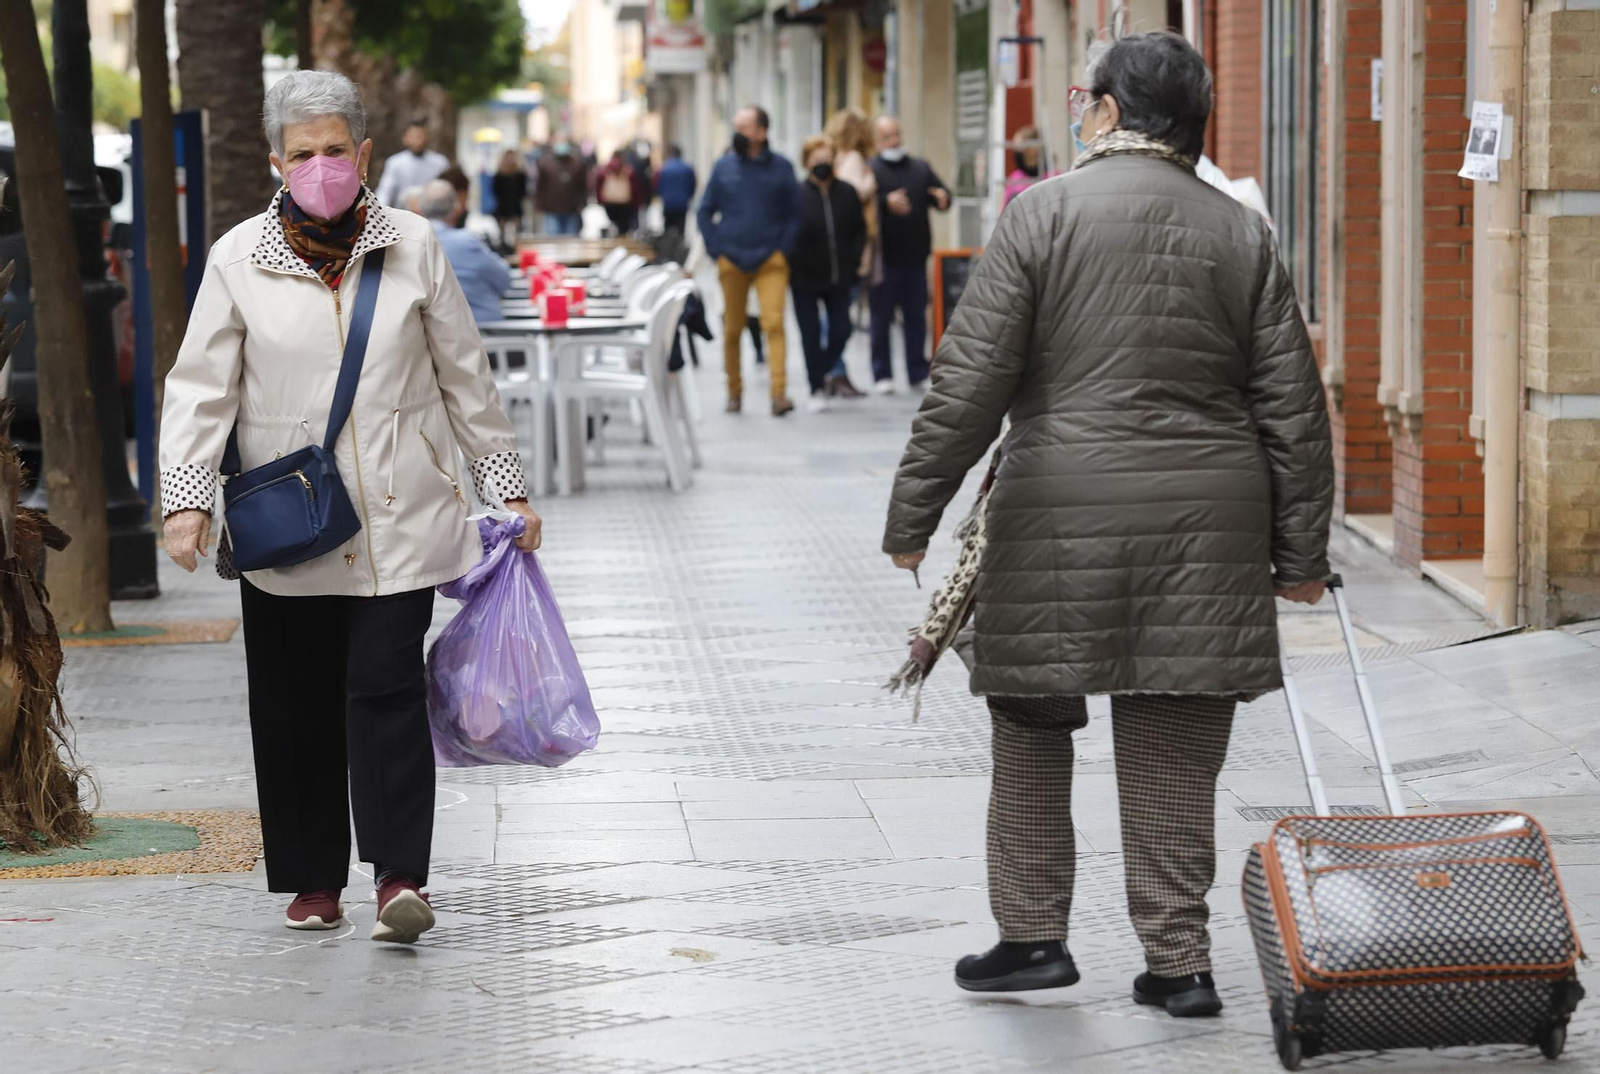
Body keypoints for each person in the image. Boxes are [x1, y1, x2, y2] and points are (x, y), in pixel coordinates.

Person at [881, 32, 1333, 1015]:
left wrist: (914, 514)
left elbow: (969, 381)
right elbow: (1292, 408)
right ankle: (1179, 965)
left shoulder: (1039, 215)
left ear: (1112, 113)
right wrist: (1300, 556)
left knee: (1032, 720)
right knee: (1173, 743)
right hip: (1204, 526)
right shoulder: (1240, 230)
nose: (1080, 110)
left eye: (1088, 98)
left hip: (1054, 515)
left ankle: (1032, 939)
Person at [158, 70, 541, 946]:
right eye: (303, 155)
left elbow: (464, 380)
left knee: (386, 688)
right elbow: (199, 392)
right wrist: (186, 503)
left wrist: (506, 487)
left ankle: (400, 875)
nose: (321, 167)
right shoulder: (236, 259)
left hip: (401, 517)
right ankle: (313, 879)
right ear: (276, 163)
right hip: (286, 521)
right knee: (293, 703)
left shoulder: (415, 245)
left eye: (336, 150)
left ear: (364, 154)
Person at [697, 105, 803, 417]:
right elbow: (704, 211)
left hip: (771, 259)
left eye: (744, 127)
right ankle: (734, 392)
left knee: (773, 324)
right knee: (732, 329)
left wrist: (783, 250)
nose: (738, 133)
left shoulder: (782, 168)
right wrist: (717, 249)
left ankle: (778, 394)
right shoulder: (723, 167)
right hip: (732, 259)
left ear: (761, 132)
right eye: (736, 126)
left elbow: (796, 214)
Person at [869, 115, 950, 394]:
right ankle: (882, 373)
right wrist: (884, 202)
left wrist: (942, 197)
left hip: (915, 257)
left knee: (915, 317)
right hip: (884, 259)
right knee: (881, 318)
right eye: (888, 136)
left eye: (897, 135)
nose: (894, 141)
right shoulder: (872, 170)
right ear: (877, 141)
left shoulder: (919, 167)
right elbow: (862, 206)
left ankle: (917, 369)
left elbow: (941, 193)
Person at [789, 135, 865, 414]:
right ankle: (816, 386)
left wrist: (855, 259)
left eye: (826, 158)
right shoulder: (796, 194)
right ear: (807, 161)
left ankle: (821, 369)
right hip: (804, 279)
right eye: (816, 159)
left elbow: (859, 229)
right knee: (809, 334)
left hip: (840, 277)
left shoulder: (847, 192)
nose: (822, 163)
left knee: (842, 329)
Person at [821, 108, 877, 398]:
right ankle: (833, 369)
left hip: (836, 248)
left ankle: (833, 370)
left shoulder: (837, 158)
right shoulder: (854, 160)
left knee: (835, 312)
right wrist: (871, 182)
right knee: (839, 314)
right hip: (851, 248)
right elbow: (853, 194)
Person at [418, 178, 511, 324]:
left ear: (421, 208)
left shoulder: (413, 244)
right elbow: (504, 279)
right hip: (483, 332)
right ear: (455, 207)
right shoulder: (467, 243)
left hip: (432, 335)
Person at [373, 118, 450, 206]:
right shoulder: (395, 163)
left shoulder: (440, 162)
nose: (418, 140)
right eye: (414, 136)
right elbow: (385, 191)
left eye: (421, 135)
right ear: (405, 138)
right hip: (403, 211)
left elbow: (446, 192)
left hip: (431, 212)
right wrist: (380, 211)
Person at [535, 135, 589, 236]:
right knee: (553, 239)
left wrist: (583, 203)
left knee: (571, 239)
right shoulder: (545, 163)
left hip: (572, 209)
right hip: (551, 209)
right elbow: (540, 186)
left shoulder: (578, 163)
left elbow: (583, 186)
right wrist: (539, 204)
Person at [1002, 124, 1060, 208]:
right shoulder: (1015, 177)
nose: (1017, 151)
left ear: (1034, 148)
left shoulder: (1054, 176)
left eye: (1020, 146)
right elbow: (1006, 212)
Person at [596, 148, 641, 236]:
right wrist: (636, 203)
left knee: (613, 223)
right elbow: (635, 188)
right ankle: (622, 243)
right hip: (624, 203)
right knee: (623, 227)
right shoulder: (628, 170)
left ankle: (614, 240)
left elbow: (598, 185)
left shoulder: (605, 169)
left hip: (609, 202)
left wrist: (600, 200)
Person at [491, 148, 528, 252]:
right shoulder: (499, 175)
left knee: (517, 233)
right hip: (502, 207)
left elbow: (523, 192)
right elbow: (495, 191)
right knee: (502, 235)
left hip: (515, 207)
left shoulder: (520, 175)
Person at [656, 144, 697, 234]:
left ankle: (667, 246)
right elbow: (692, 185)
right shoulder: (687, 168)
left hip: (668, 204)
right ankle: (679, 246)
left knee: (667, 230)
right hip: (682, 204)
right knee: (681, 229)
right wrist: (688, 196)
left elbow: (658, 186)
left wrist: (663, 196)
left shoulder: (664, 168)